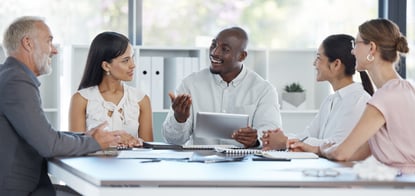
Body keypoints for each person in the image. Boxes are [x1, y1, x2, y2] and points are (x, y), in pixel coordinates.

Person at [0, 16, 141, 195]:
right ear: (28, 43)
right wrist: (94, 141)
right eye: (49, 41)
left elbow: (45, 135)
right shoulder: (17, 81)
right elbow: (49, 144)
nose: (54, 51)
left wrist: (86, 136)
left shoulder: (10, 75)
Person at [313, 19, 413, 174]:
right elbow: (361, 151)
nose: (352, 52)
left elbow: (341, 153)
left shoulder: (385, 97)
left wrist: (324, 149)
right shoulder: (405, 89)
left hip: (401, 186)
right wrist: (318, 149)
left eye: (356, 45)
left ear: (371, 48)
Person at [162, 26, 282, 148]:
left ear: (242, 56)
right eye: (213, 45)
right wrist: (179, 119)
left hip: (244, 164)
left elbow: (272, 135)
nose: (215, 53)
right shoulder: (190, 84)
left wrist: (255, 140)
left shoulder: (264, 90)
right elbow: (172, 141)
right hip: (200, 164)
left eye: (225, 49)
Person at [261, 34, 374, 152]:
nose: (314, 64)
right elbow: (308, 135)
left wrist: (287, 142)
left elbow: (337, 145)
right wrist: (281, 139)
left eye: (319, 58)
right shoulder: (330, 101)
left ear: (336, 64)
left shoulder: (358, 100)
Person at [69, 31, 153, 142]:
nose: (133, 65)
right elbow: (76, 147)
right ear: (106, 66)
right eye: (126, 60)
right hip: (94, 160)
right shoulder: (81, 99)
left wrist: (133, 142)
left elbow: (149, 151)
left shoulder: (141, 99)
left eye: (132, 58)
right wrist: (113, 142)